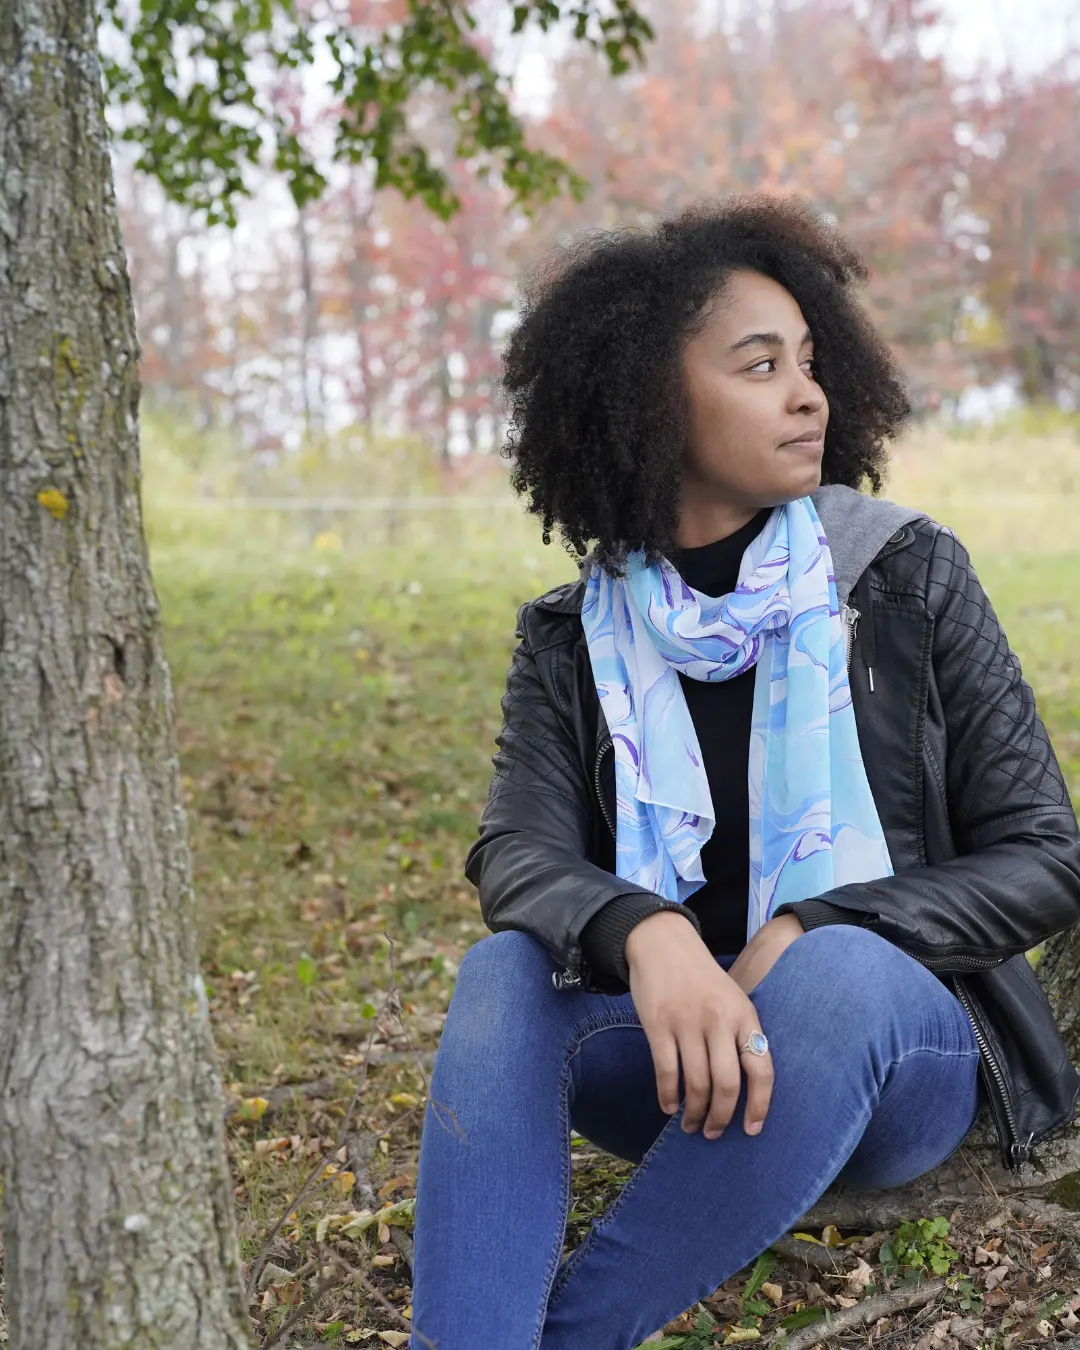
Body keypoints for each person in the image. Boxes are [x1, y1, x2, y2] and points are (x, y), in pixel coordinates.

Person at [406, 197, 1080, 1350]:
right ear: (650, 400)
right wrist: (647, 934)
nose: (807, 393)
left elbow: (1048, 857)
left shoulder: (905, 576)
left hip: (892, 1051)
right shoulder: (575, 636)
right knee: (503, 976)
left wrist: (821, 921)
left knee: (830, 979)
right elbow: (516, 854)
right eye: (759, 366)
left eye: (810, 363)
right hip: (686, 1058)